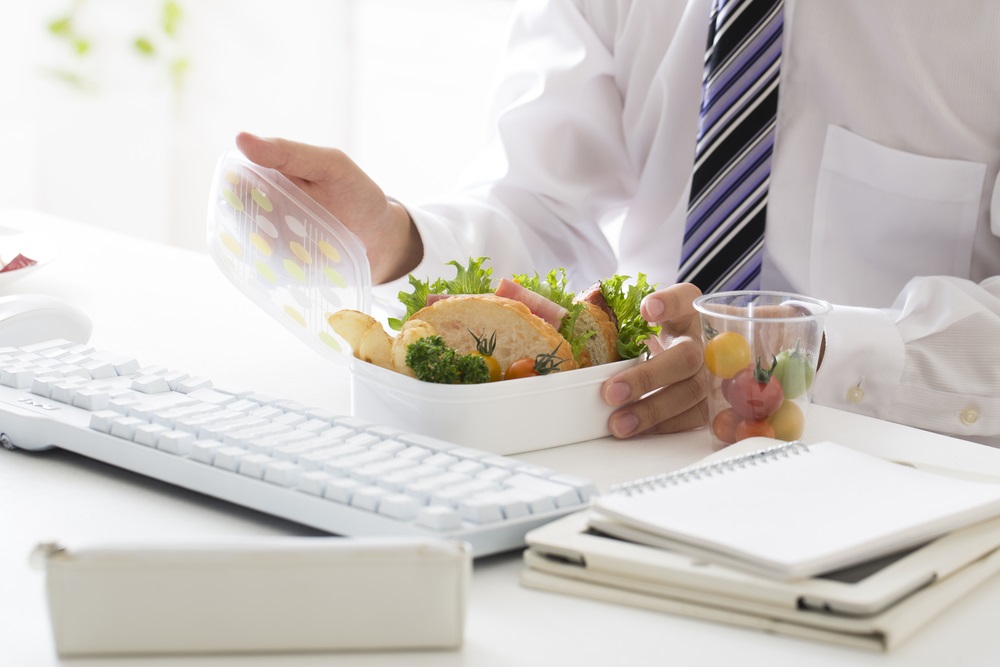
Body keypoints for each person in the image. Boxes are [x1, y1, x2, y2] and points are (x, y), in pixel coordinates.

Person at [236, 0, 1000, 447]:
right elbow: (543, 202)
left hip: (905, 472)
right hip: (629, 448)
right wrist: (398, 239)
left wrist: (798, 359)